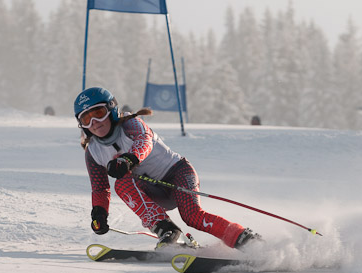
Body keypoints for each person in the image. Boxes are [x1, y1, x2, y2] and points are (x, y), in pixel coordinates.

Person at [75, 87, 260, 249]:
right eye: (86, 119)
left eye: (98, 113)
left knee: (192, 216)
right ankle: (167, 230)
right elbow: (100, 188)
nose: (94, 123)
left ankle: (245, 239)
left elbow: (144, 143)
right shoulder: (93, 152)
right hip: (152, 190)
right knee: (121, 184)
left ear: (111, 109)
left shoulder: (131, 124)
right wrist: (99, 213)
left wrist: (129, 159)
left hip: (177, 174)